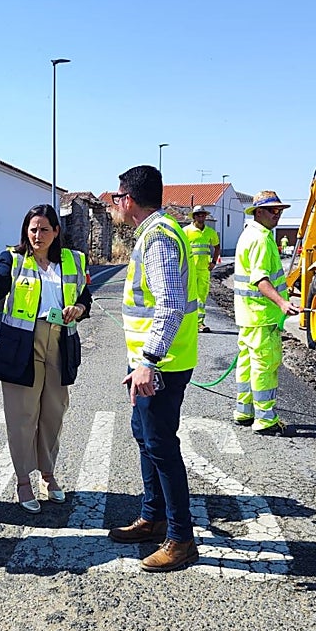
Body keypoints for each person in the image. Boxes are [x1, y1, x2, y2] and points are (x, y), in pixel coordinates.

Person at [105, 165, 201, 573]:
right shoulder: (154, 233)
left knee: (161, 445)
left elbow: (171, 303)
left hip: (161, 365)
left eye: (116, 197)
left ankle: (180, 540)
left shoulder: (158, 237)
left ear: (128, 199)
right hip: (155, 362)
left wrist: (148, 361)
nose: (114, 204)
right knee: (145, 435)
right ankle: (153, 517)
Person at [0, 205, 92, 514]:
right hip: (22, 344)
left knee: (53, 413)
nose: (38, 235)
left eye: (45, 229)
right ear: (25, 231)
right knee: (22, 416)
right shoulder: (12, 258)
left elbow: (85, 296)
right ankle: (23, 480)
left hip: (61, 341)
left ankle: (48, 475)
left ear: (56, 232)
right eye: (33, 229)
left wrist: (78, 308)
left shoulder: (74, 260)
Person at [233, 190, 301, 435]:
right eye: (273, 211)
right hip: (262, 316)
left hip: (248, 316)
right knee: (265, 365)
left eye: (280, 211)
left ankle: (244, 410)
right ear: (258, 212)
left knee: (248, 364)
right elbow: (260, 280)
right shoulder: (261, 239)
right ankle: (265, 418)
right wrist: (282, 304)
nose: (278, 215)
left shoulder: (249, 235)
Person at [183, 205, 221, 333]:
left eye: (203, 215)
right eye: (198, 215)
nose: (201, 217)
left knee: (201, 297)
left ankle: (200, 323)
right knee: (188, 296)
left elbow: (217, 247)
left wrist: (214, 262)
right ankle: (188, 322)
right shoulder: (186, 231)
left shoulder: (210, 232)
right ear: (194, 217)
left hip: (204, 270)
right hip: (190, 270)